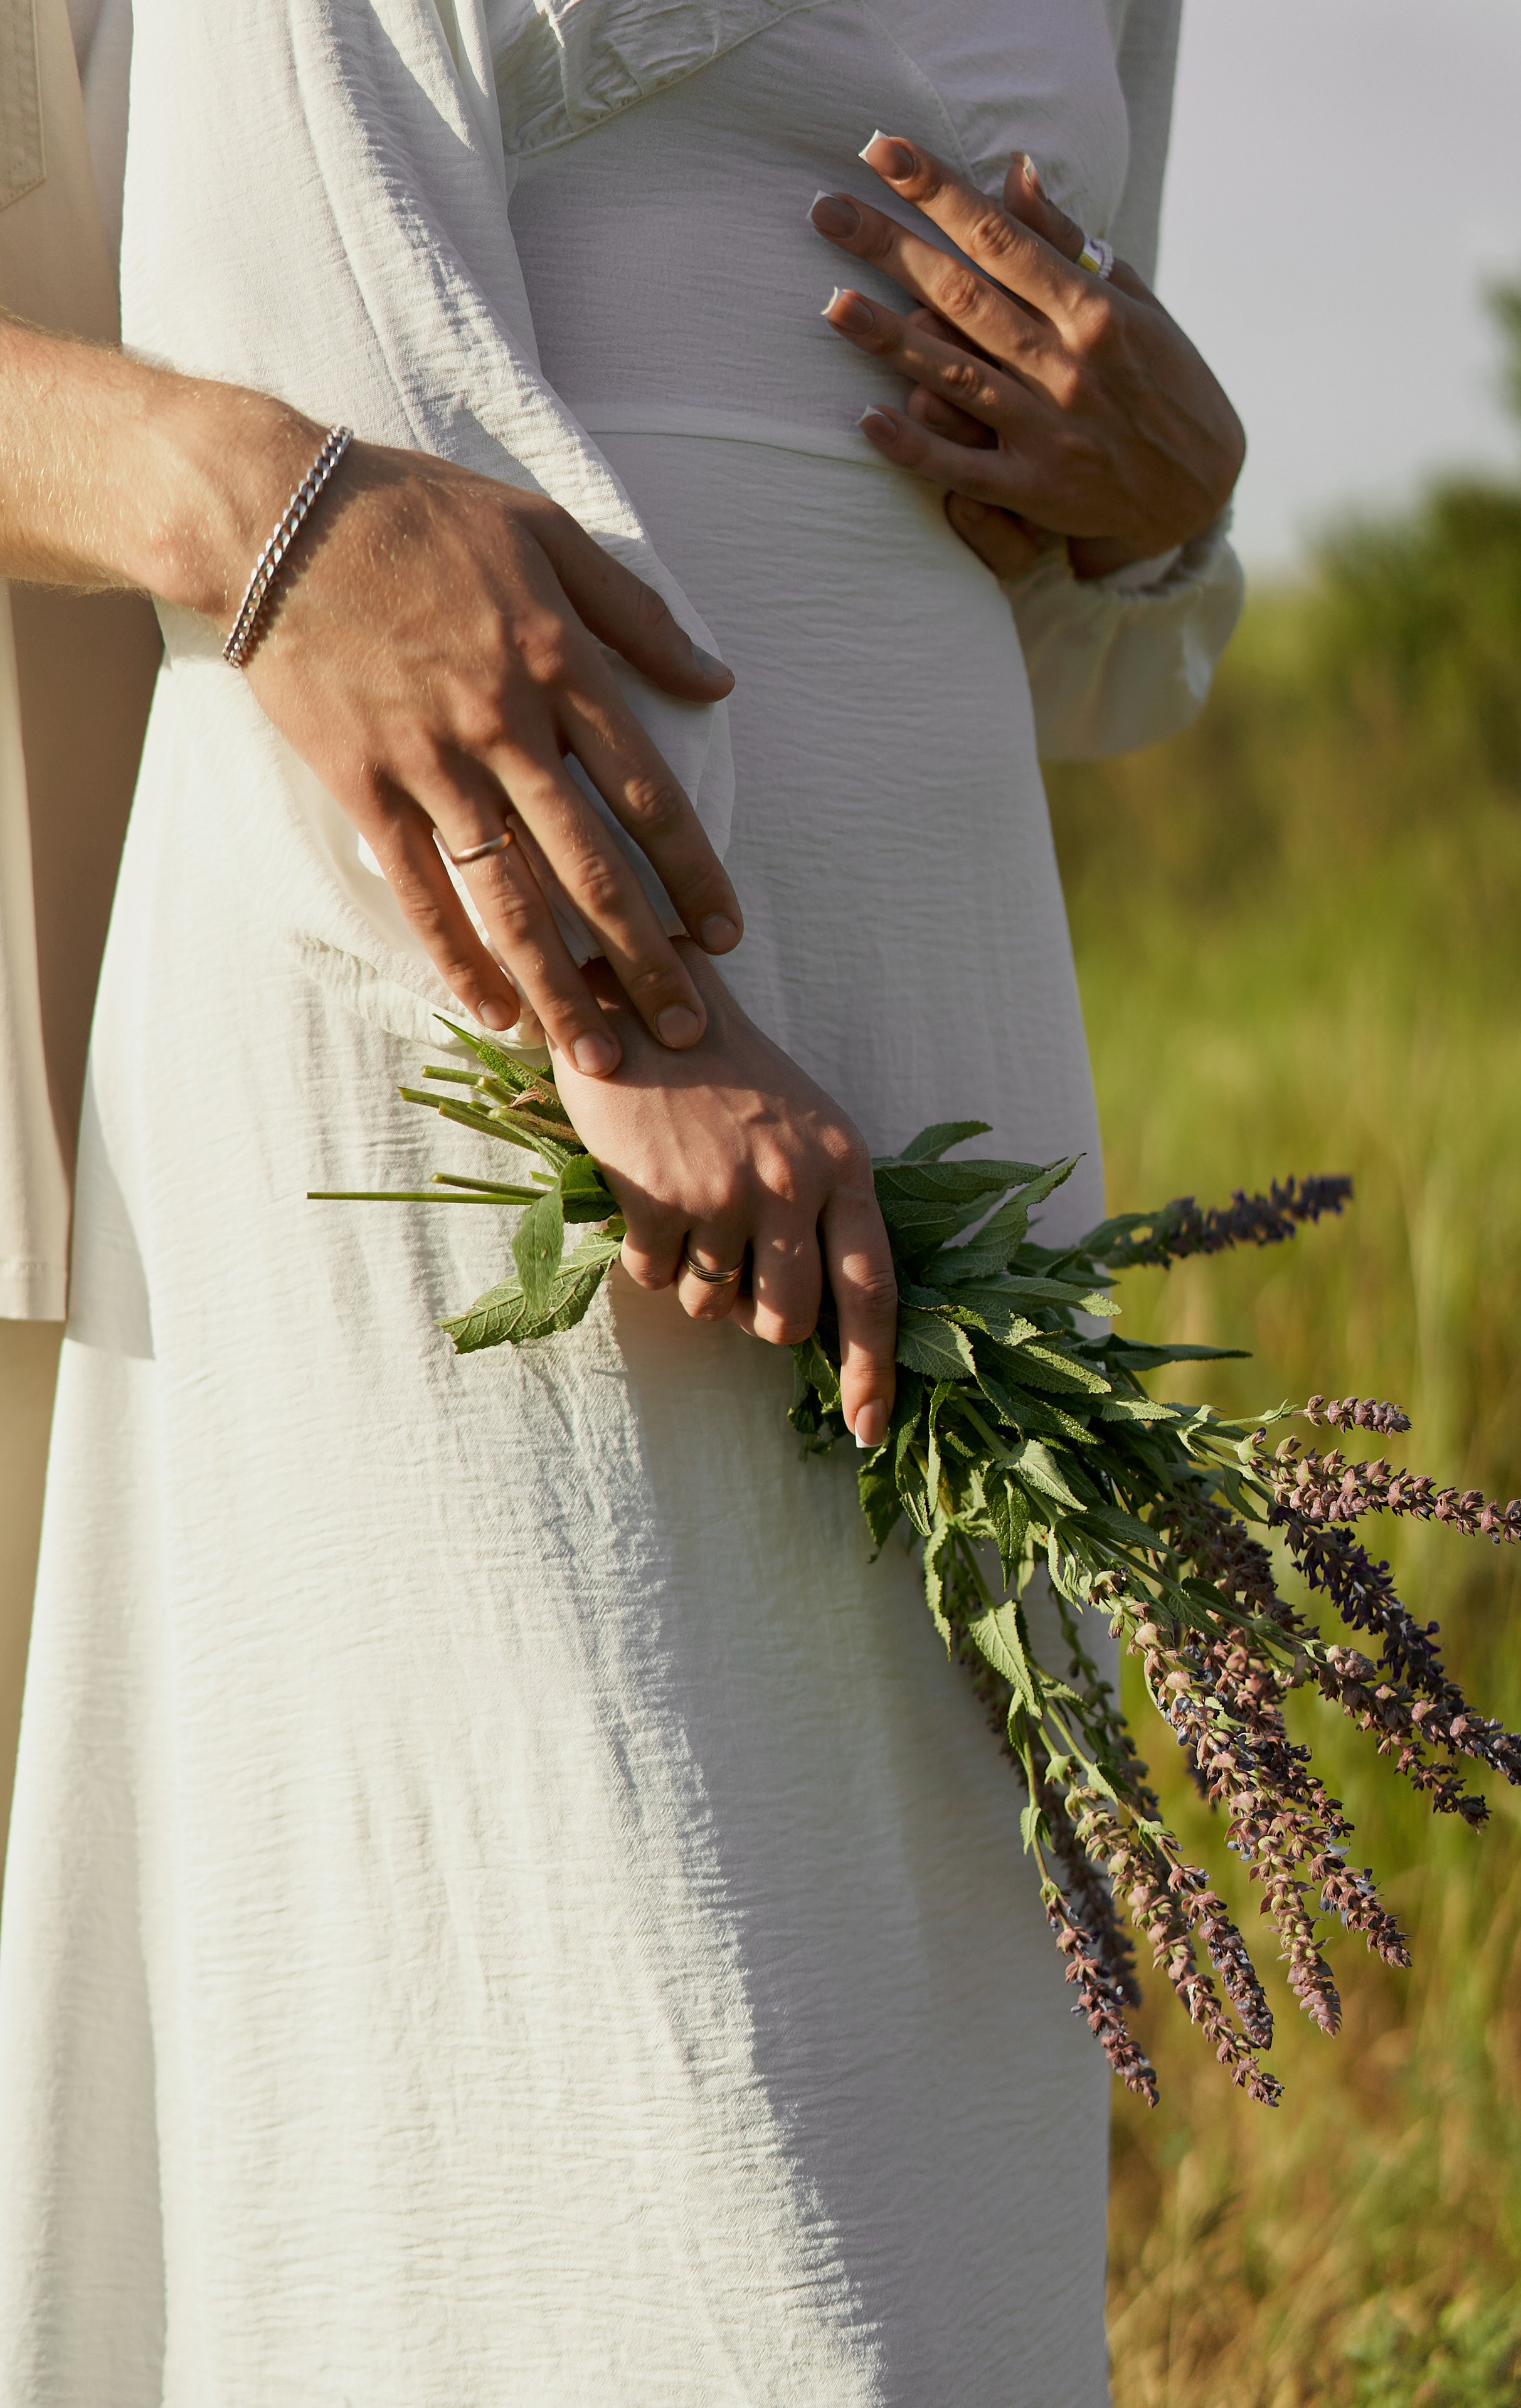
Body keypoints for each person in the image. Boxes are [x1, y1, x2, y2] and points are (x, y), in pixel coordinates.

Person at [0, 1, 1244, 2398]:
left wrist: (1179, 501)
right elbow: (295, 309)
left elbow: (1088, 620)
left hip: (940, 992)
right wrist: (634, 1019)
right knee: (601, 2014)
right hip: (456, 967)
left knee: (916, 2037)